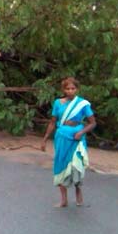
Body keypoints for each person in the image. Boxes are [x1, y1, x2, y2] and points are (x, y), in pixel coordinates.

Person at [41, 77, 97, 207]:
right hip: (61, 138)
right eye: (67, 88)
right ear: (63, 90)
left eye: (73, 88)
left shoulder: (83, 104)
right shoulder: (57, 103)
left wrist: (81, 132)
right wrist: (45, 139)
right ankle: (63, 200)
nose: (70, 91)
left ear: (77, 89)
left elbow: (93, 123)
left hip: (77, 139)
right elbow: (53, 122)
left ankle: (78, 193)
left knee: (76, 166)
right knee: (60, 165)